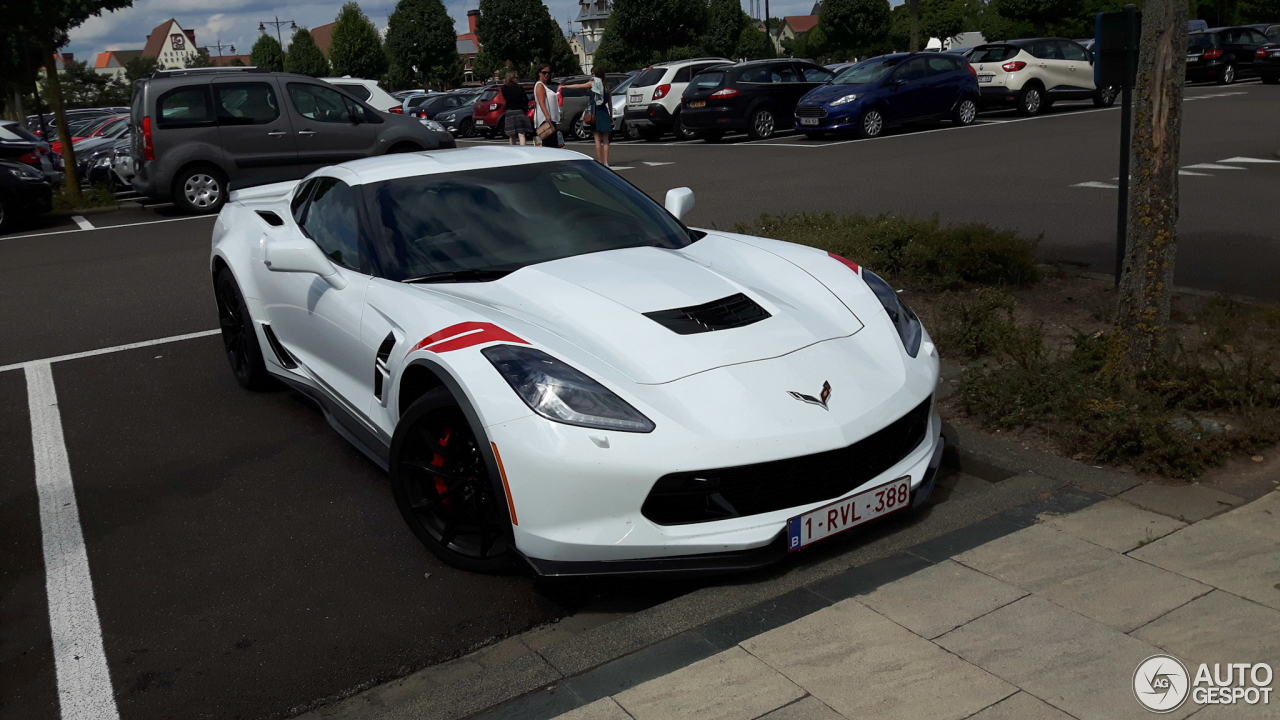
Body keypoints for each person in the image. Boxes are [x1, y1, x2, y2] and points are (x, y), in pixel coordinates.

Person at [561, 66, 612, 166]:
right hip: (604, 111)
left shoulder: (593, 83)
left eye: (593, 73)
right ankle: (606, 162)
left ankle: (600, 161)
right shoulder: (607, 85)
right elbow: (610, 102)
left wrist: (566, 87)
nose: (592, 75)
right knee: (606, 139)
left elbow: (579, 86)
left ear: (596, 74)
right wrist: (611, 115)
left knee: (597, 139)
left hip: (595, 111)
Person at [532, 64, 562, 149]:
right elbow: (541, 102)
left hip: (550, 119)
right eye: (544, 72)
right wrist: (547, 115)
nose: (547, 74)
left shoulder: (544, 85)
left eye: (548, 73)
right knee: (550, 145)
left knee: (552, 145)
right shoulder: (539, 85)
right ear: (539, 73)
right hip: (545, 120)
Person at [500, 71, 531, 145]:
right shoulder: (519, 87)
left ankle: (512, 151)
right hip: (520, 111)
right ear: (512, 78)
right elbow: (526, 99)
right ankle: (523, 149)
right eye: (515, 77)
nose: (517, 79)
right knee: (521, 134)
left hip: (509, 112)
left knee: (512, 135)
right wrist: (523, 105)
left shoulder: (504, 89)